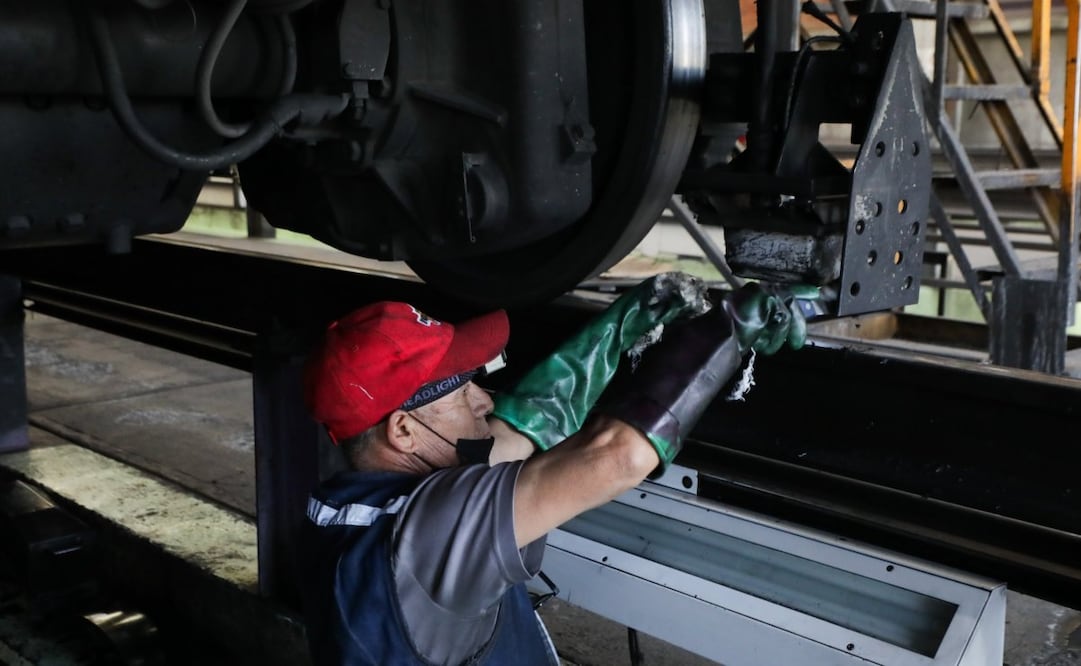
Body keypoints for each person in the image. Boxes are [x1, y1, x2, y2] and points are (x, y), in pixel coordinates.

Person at [298, 272, 816, 666]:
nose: (485, 400)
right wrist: (726, 333)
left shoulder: (354, 509)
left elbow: (525, 426)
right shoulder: (427, 533)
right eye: (463, 391)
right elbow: (617, 456)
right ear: (403, 431)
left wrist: (623, 325)